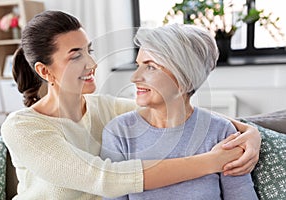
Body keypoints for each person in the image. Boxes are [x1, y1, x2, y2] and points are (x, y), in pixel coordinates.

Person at [0, 10, 260, 199]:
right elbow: (106, 179)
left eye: (89, 50)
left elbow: (176, 108)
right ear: (45, 71)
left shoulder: (104, 108)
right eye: (76, 56)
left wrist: (249, 132)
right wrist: (212, 162)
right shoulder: (23, 127)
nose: (91, 64)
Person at [100, 24, 258, 199]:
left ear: (185, 78)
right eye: (138, 65)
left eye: (150, 67)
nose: (135, 77)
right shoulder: (119, 133)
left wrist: (253, 131)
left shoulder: (222, 132)